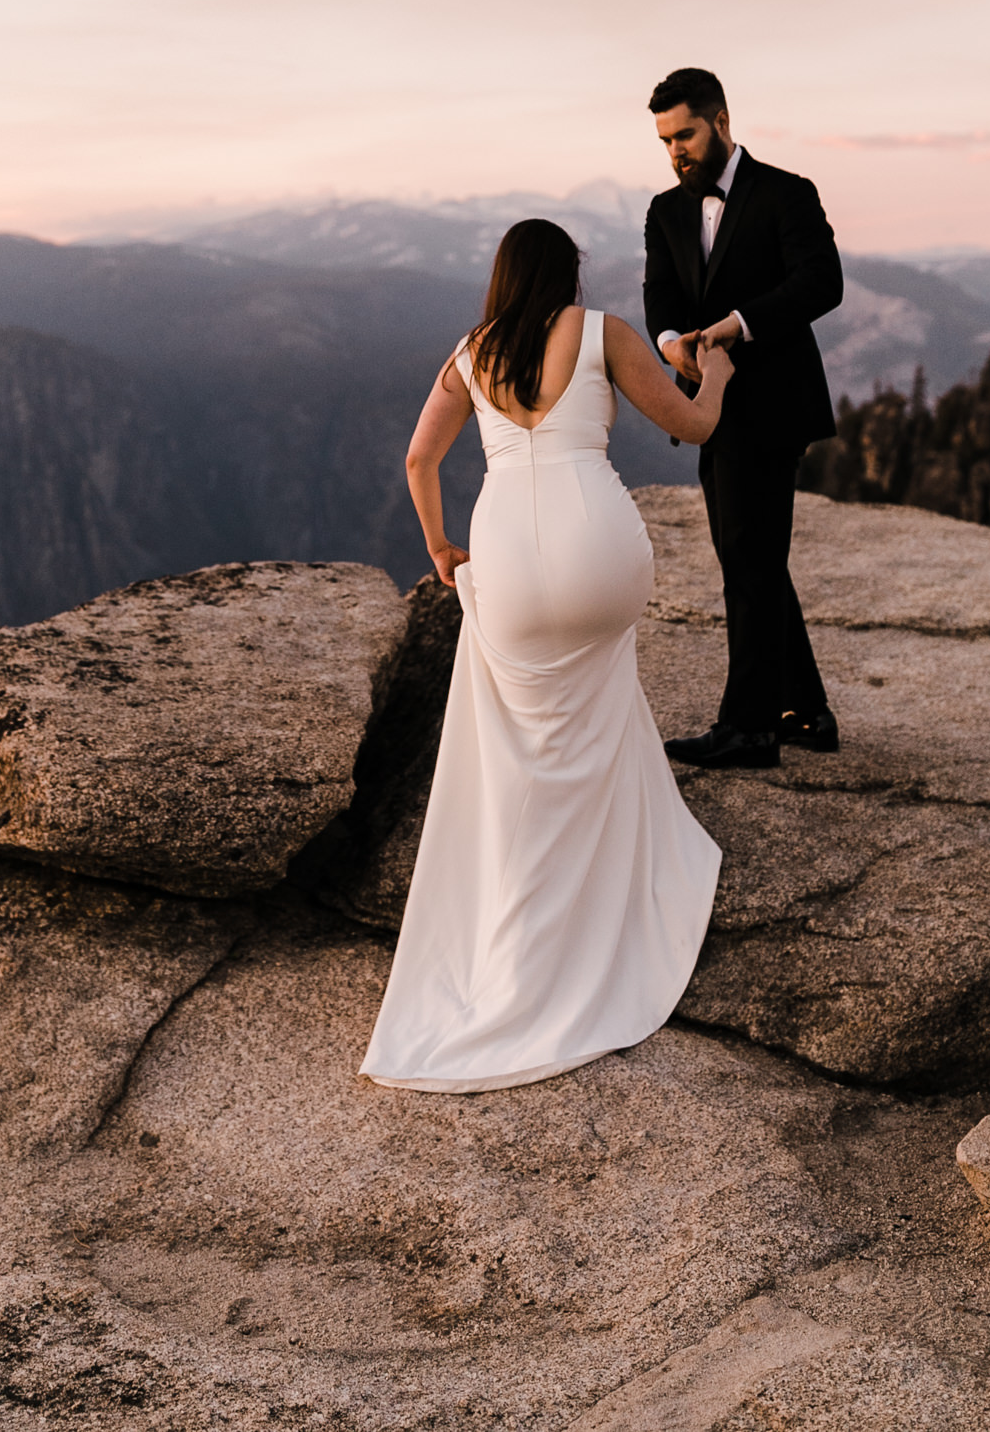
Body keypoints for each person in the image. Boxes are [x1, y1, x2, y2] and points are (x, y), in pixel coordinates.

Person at [360, 218, 731, 1094]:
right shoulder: (601, 333)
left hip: (511, 566)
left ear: (500, 278)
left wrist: (442, 548)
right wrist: (714, 370)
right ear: (568, 275)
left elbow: (419, 457)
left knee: (529, 741)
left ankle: (533, 921)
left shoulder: (468, 353)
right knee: (600, 691)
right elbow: (695, 423)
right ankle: (622, 879)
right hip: (600, 553)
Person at [643, 66, 844, 772]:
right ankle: (804, 709)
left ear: (721, 121)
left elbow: (821, 283)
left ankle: (749, 728)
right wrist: (673, 346)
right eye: (665, 139)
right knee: (750, 557)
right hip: (706, 408)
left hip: (773, 404)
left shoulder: (786, 193)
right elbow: (661, 296)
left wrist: (733, 326)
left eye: (686, 134)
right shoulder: (664, 212)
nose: (675, 151)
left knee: (747, 562)